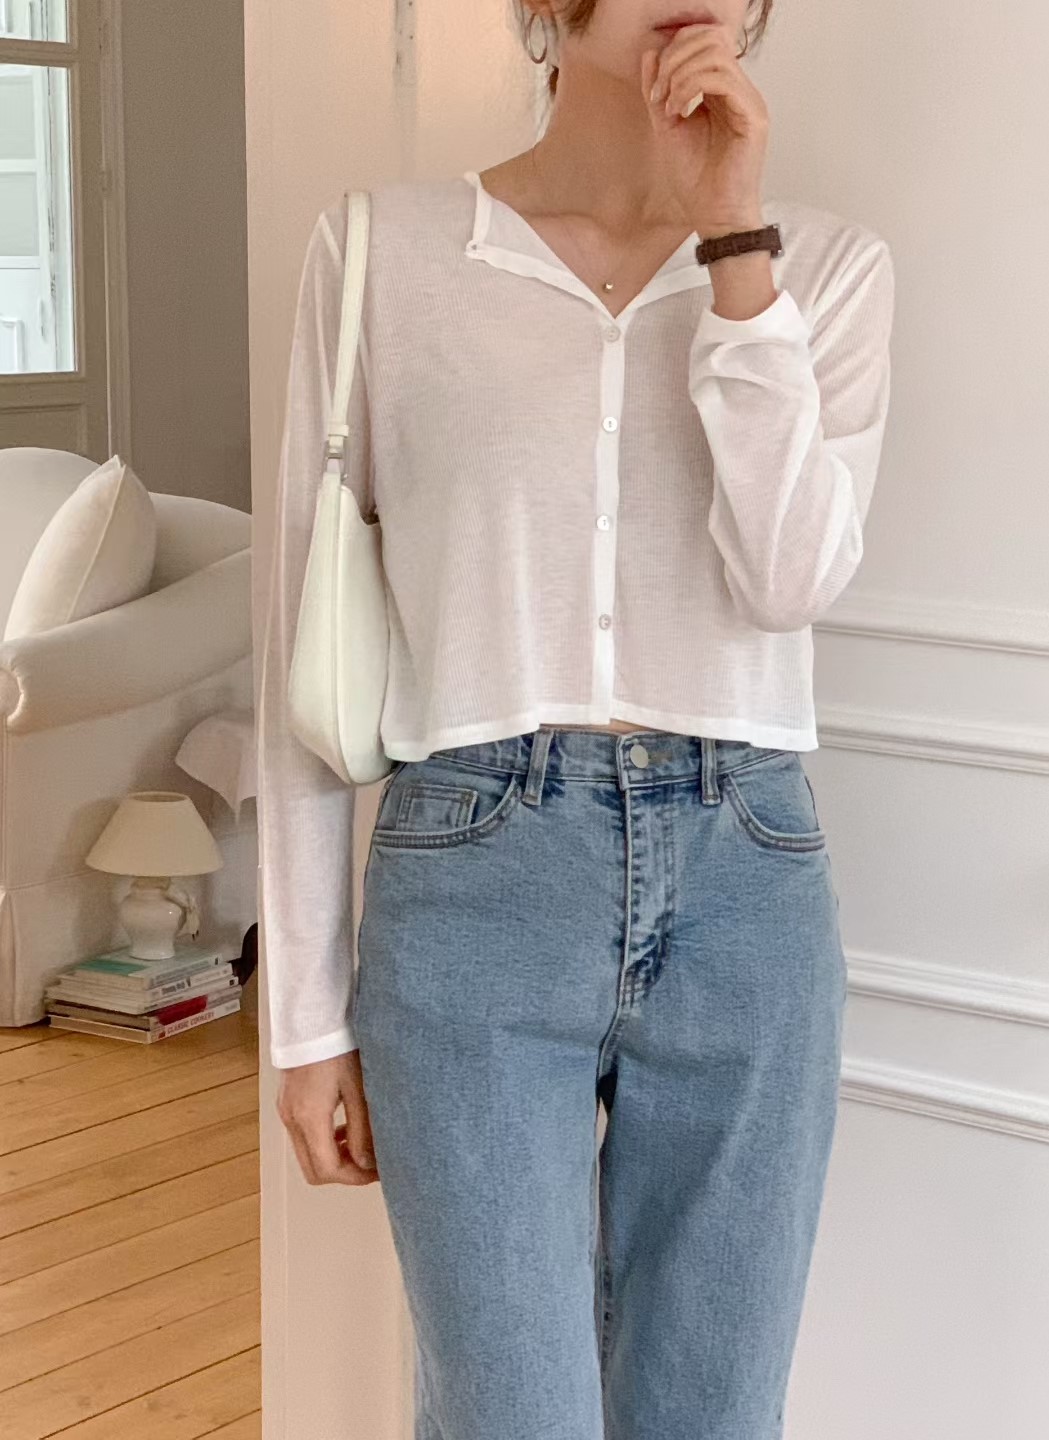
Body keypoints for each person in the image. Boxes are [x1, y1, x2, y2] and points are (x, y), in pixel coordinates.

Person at [256, 1, 895, 1435]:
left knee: (714, 1414)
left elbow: (790, 580)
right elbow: (294, 647)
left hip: (748, 877)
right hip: (474, 871)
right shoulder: (381, 253)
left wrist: (736, 250)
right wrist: (301, 1022)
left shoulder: (825, 270)